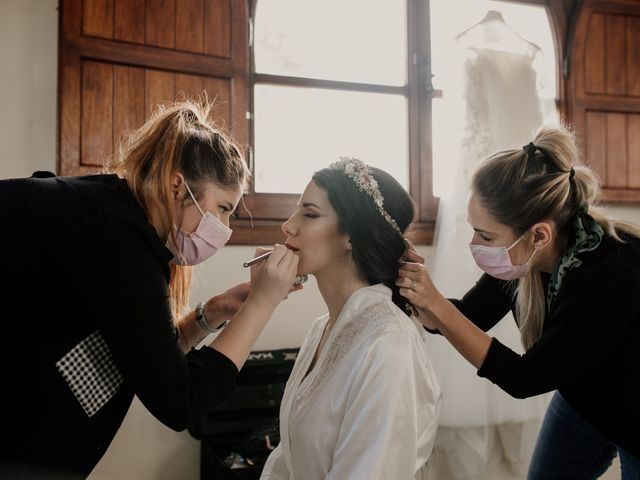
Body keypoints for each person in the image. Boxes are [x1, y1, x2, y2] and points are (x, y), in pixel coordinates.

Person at [0, 100, 299, 479]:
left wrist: (213, 312)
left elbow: (148, 356)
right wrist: (261, 304)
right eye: (224, 208)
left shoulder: (114, 215)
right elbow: (179, 401)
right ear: (178, 186)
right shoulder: (119, 237)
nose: (225, 227)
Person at [397, 124, 640, 479]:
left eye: (485, 234)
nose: (473, 243)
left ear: (538, 234)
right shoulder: (522, 258)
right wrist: (410, 290)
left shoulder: (615, 271)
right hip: (582, 398)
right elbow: (467, 317)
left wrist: (436, 304)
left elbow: (525, 377)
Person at [260, 158, 441, 480]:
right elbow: (288, 457)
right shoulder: (321, 329)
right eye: (296, 210)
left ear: (354, 236)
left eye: (310, 214)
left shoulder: (388, 344)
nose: (288, 225)